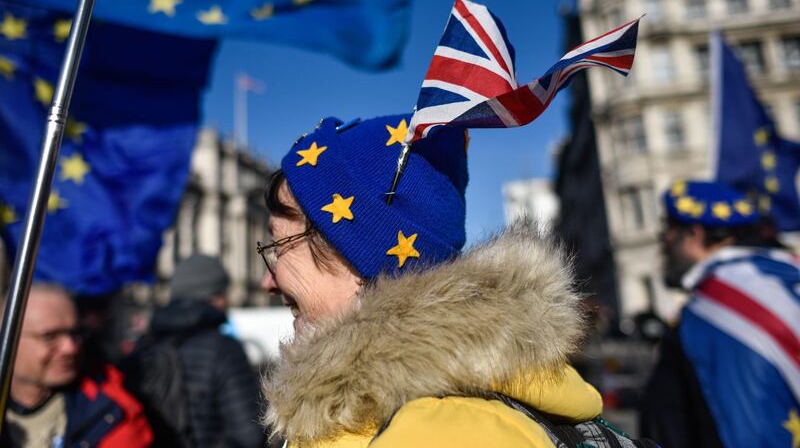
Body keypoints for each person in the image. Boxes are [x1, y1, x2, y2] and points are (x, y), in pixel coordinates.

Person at [257, 115, 615, 447]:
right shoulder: (402, 410)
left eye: (277, 245)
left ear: (355, 255)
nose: (267, 281)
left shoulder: (443, 432)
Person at [640, 180, 800, 448]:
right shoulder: (789, 274)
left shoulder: (710, 309)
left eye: (667, 232)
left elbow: (669, 425)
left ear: (694, 234)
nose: (662, 244)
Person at [128, 254, 266, 447]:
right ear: (214, 297)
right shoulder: (223, 350)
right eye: (224, 293)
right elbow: (250, 436)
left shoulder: (144, 347)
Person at [4, 283, 152, 447]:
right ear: (7, 339)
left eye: (75, 333)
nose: (71, 348)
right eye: (50, 337)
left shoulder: (111, 414)